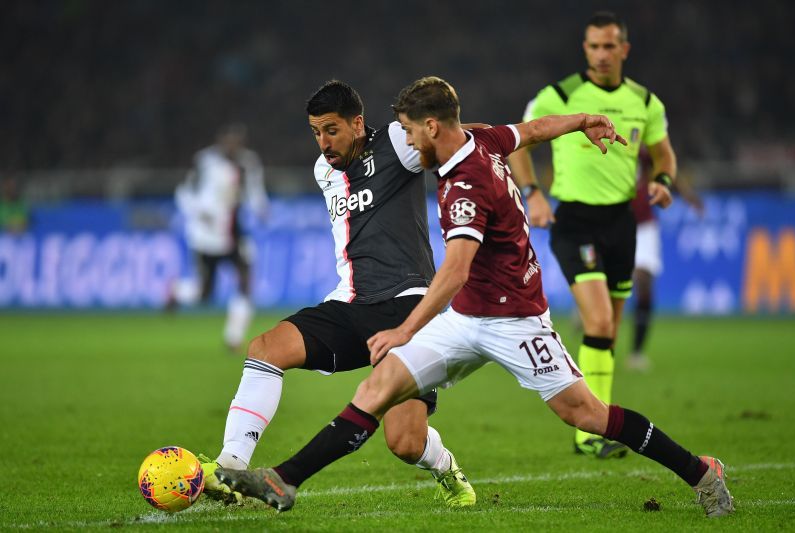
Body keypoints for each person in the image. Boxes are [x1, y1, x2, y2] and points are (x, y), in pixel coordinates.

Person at [214, 76, 734, 519]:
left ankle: (699, 470)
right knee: (378, 388)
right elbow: (529, 131)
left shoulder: (465, 182)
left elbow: (456, 269)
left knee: (587, 415)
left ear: (432, 128)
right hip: (464, 318)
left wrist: (403, 329)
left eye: (412, 132)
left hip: (516, 321)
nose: (407, 142)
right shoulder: (482, 143)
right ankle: (283, 481)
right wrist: (582, 120)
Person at [200, 81, 476, 508]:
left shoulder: (398, 145)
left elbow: (456, 135)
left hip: (408, 307)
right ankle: (231, 466)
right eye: (315, 132)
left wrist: (539, 135)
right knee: (266, 348)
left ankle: (445, 467)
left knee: (404, 442)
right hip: (350, 303)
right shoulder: (323, 170)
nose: (323, 142)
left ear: (357, 123)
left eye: (331, 130)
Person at [507, 11, 677, 458]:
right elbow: (517, 144)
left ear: (624, 49)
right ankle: (588, 432)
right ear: (586, 49)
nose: (601, 54)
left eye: (609, 46)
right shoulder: (558, 96)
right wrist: (532, 194)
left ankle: (596, 423)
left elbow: (663, 154)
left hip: (622, 224)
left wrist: (663, 180)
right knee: (599, 321)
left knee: (609, 330)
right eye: (593, 47)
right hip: (575, 222)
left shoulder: (645, 101)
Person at [170, 123, 268, 352]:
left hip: (235, 232)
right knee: (205, 293)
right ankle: (176, 291)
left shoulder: (248, 162)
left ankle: (233, 338)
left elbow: (255, 192)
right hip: (206, 236)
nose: (233, 146)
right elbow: (183, 192)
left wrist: (262, 208)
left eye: (237, 141)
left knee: (245, 281)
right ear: (221, 141)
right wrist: (198, 212)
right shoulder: (204, 161)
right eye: (229, 141)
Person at [628, 150, 704, 370]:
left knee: (644, 283)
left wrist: (689, 197)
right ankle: (588, 310)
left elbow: (666, 168)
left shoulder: (641, 148)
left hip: (644, 225)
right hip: (615, 223)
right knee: (613, 283)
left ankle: (636, 352)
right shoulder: (604, 140)